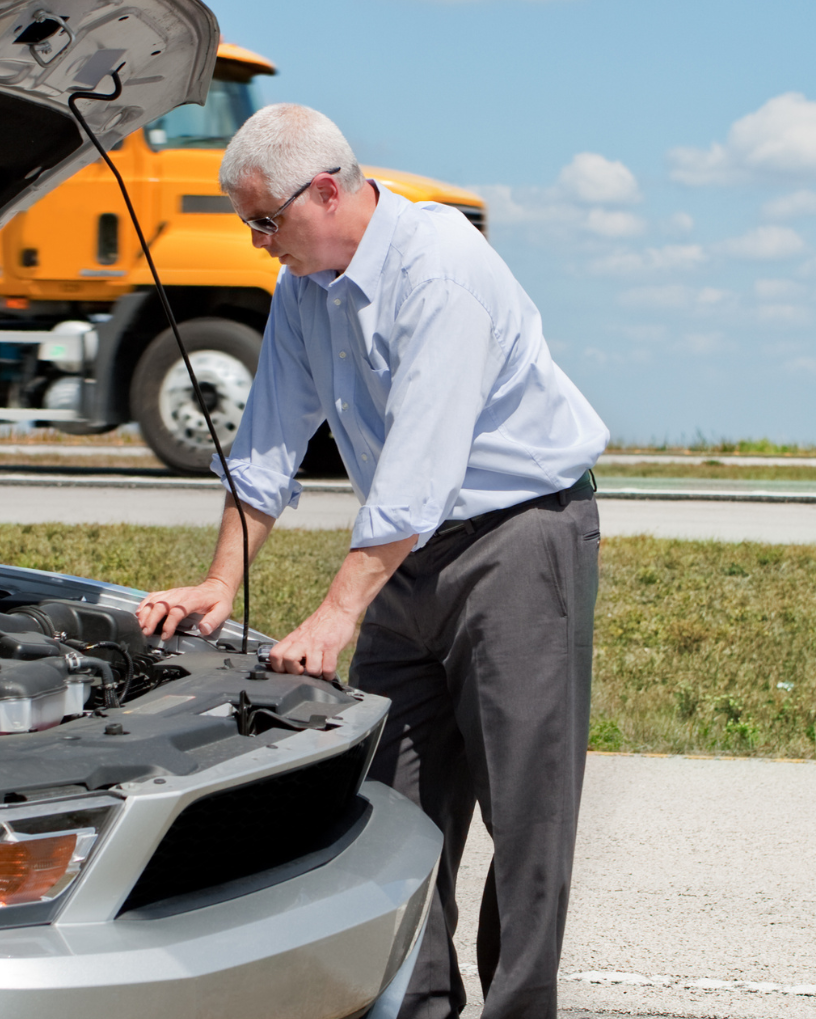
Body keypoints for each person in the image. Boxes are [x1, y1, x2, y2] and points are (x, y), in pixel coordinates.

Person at [137, 103, 608, 1019]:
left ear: (324, 191)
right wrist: (219, 581)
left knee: (527, 812)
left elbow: (420, 470)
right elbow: (267, 444)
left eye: (263, 221)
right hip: (406, 556)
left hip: (518, 540)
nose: (255, 242)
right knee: (395, 806)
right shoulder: (304, 291)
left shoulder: (442, 271)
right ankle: (418, 1006)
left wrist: (337, 612)